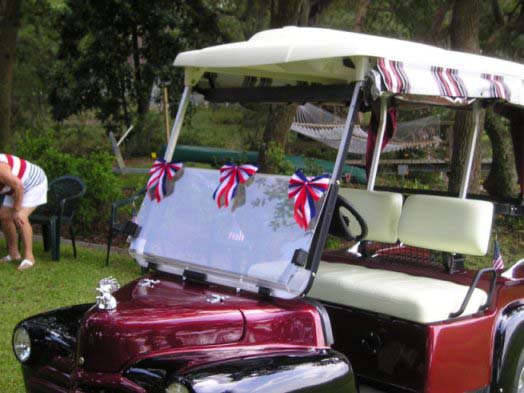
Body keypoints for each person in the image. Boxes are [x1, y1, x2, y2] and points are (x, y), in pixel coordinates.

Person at [0, 154, 47, 270]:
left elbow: (19, 186)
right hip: (14, 187)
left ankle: (29, 257)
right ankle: (13, 254)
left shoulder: (1, 169)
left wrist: (16, 210)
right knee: (4, 216)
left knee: (20, 216)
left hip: (33, 183)